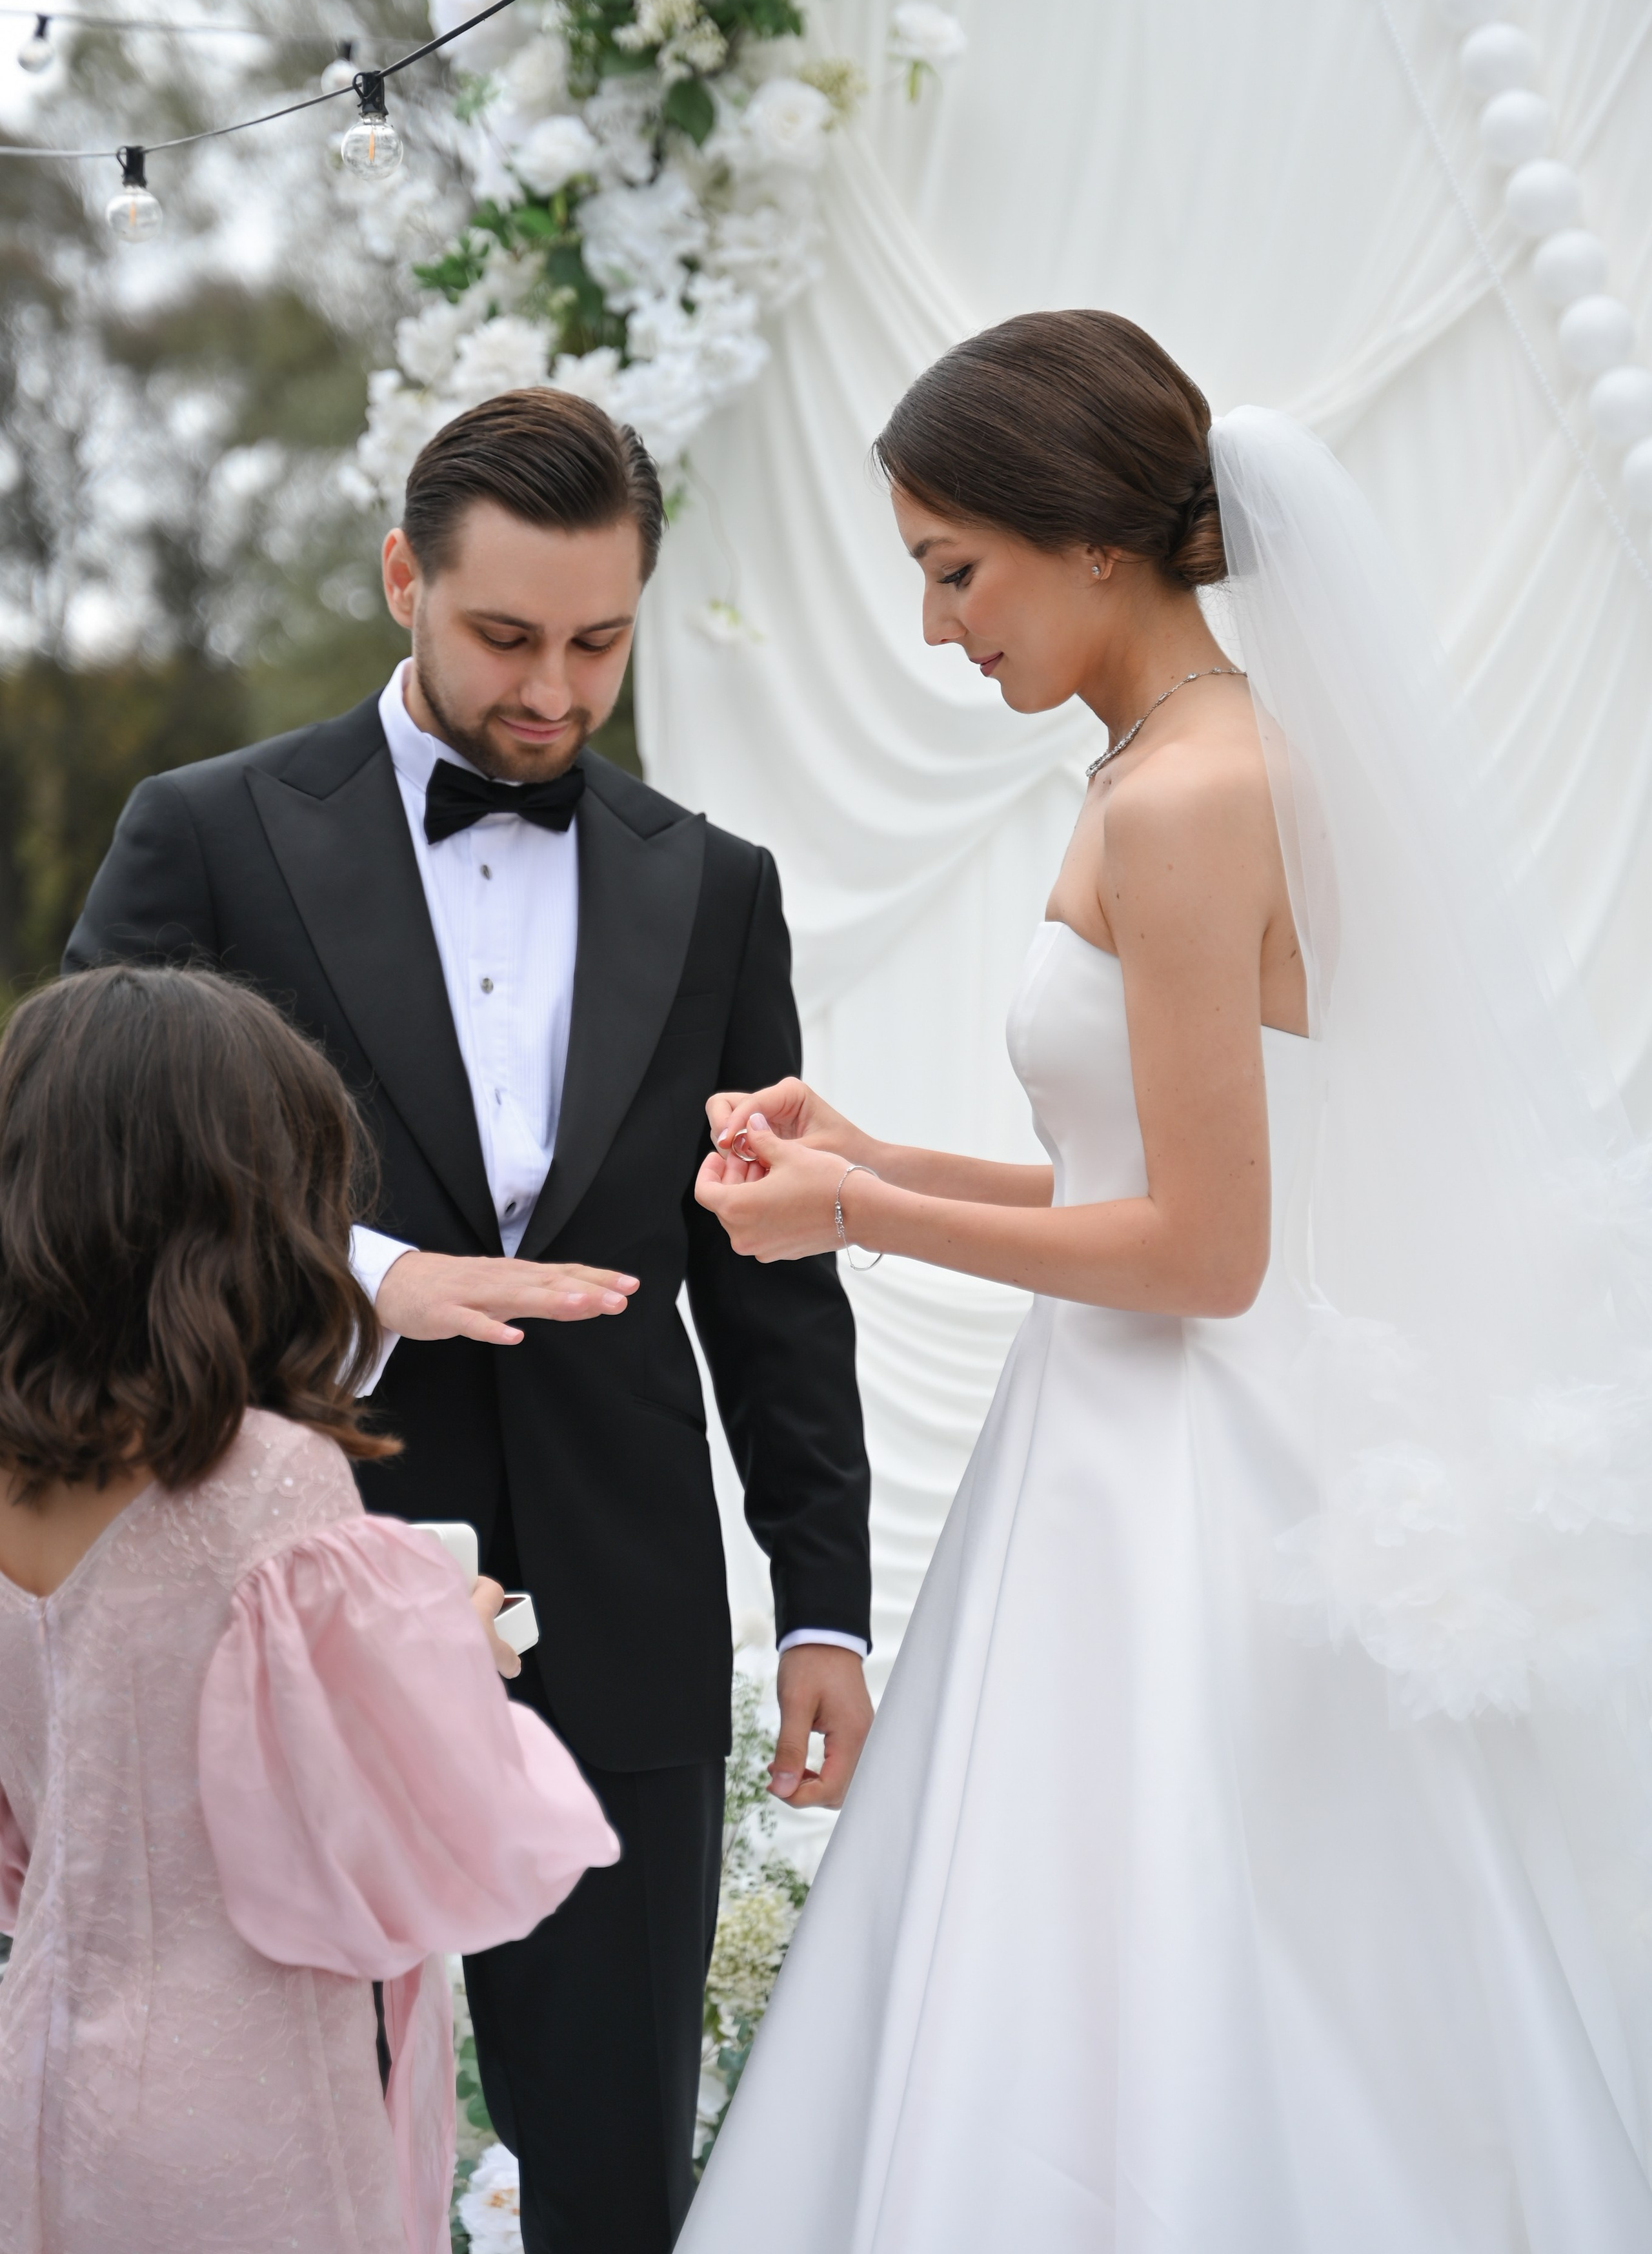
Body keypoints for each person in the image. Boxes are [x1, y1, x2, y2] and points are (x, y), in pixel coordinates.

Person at [681, 313, 1652, 2251]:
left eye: (956, 570)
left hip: (1193, 1467)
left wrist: (852, 1227)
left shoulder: (1197, 792)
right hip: (1115, 1438)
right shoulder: (1156, 761)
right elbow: (1125, 1177)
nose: (943, 627)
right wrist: (869, 1154)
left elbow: (1206, 1257)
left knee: (1178, 1953)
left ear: (1090, 540)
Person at [63, 388, 873, 2254]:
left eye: (601, 642)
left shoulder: (714, 886)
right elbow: (85, 1177)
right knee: (295, 2152)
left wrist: (820, 1595)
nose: (556, 692)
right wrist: (364, 1275)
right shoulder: (204, 833)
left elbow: (776, 1271)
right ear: (402, 578)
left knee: (612, 2174)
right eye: (508, 635)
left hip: (629, 1596)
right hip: (285, 1575)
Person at [0, 964, 618, 2254]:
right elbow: (396, 1844)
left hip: (41, 2070)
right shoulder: (267, 1479)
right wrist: (454, 1637)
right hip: (254, 2094)